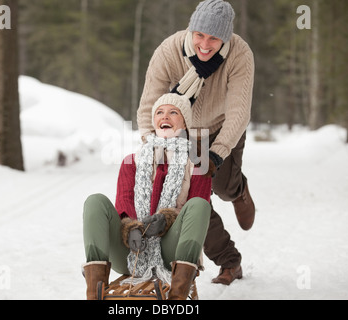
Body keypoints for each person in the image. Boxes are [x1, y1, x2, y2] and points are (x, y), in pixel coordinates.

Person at [137, 0, 255, 286]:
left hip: (221, 127)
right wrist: (149, 144)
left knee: (222, 187)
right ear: (191, 30)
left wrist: (216, 155)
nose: (205, 44)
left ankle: (238, 191)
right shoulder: (169, 50)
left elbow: (239, 112)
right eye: (199, 35)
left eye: (214, 38)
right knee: (193, 199)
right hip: (183, 132)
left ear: (225, 38)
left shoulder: (239, 54)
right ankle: (230, 261)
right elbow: (149, 105)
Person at [82, 93, 212, 300]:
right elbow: (123, 204)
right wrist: (130, 228)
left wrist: (167, 219)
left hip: (173, 252)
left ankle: (177, 298)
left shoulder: (198, 165)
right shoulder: (131, 162)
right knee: (95, 201)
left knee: (200, 205)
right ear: (153, 121)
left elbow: (197, 213)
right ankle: (93, 294)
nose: (165, 117)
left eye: (173, 112)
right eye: (159, 112)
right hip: (129, 251)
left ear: (185, 122)